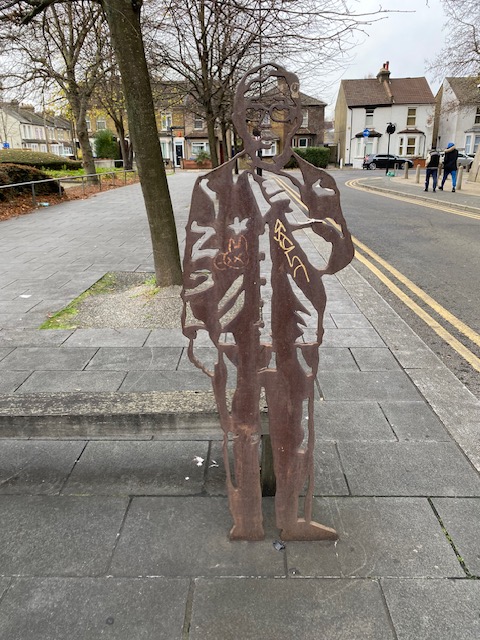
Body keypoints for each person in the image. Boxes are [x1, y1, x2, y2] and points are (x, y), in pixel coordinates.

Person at [181, 63, 354, 541]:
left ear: (294, 121)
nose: (263, 124)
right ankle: (246, 520)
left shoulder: (316, 184)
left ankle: (292, 519)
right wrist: (200, 320)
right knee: (240, 425)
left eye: (277, 112)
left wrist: (314, 228)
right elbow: (197, 259)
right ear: (238, 121)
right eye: (252, 113)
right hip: (235, 328)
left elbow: (340, 256)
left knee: (294, 426)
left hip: (295, 324)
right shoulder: (214, 186)